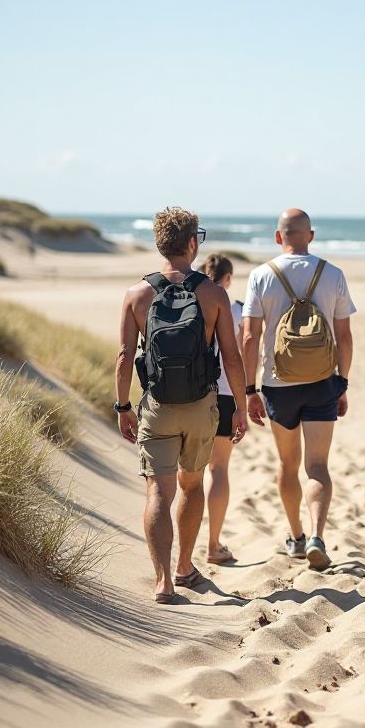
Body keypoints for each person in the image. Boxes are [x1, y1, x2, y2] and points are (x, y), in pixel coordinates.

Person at [116, 207, 248, 604]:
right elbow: (232, 357)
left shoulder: (137, 294)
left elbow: (124, 355)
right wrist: (239, 407)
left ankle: (162, 582)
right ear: (193, 243)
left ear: (160, 244)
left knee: (158, 490)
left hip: (156, 405)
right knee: (192, 484)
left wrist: (122, 406)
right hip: (202, 405)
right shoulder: (213, 293)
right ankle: (185, 567)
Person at [242, 209, 355, 570]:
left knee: (288, 465)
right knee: (317, 465)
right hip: (322, 381)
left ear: (279, 237)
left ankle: (296, 537)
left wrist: (249, 390)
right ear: (311, 235)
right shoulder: (332, 274)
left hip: (278, 385)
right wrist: (343, 381)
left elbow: (249, 336)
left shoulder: (261, 276)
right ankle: (318, 534)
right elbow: (345, 336)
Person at [199, 252, 244, 564]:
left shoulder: (191, 302)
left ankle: (184, 551)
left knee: (188, 471)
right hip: (226, 393)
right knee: (218, 468)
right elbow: (241, 353)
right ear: (228, 278)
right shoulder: (237, 308)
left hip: (191, 395)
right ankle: (213, 545)